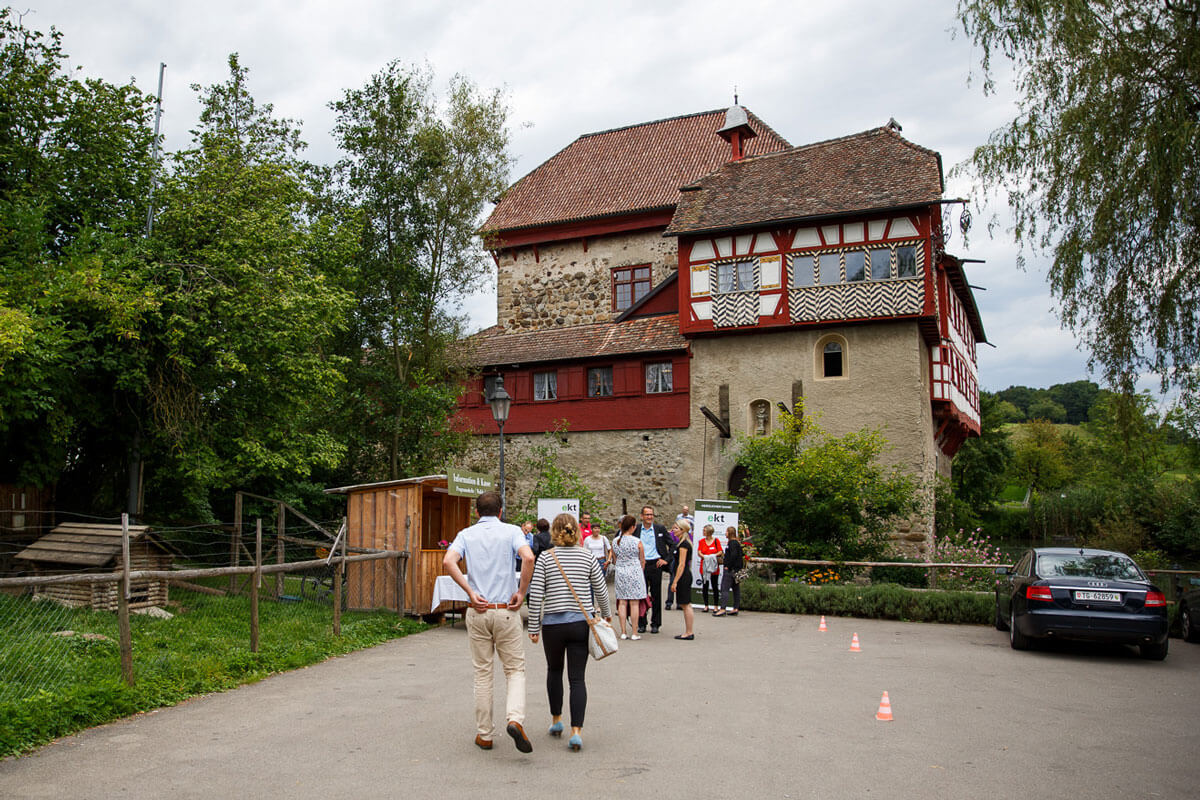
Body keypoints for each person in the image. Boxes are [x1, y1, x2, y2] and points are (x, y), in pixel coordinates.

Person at [443, 490, 536, 754]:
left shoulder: (466, 534)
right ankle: (515, 718)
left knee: (483, 672)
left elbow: (448, 560)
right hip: (505, 609)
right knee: (515, 669)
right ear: (500, 511)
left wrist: (470, 592)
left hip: (479, 609)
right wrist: (522, 590)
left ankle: (484, 734)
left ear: (476, 513)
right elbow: (528, 557)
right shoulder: (511, 531)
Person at [526, 513, 612, 752]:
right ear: (577, 531)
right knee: (577, 678)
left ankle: (556, 720)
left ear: (554, 532)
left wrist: (534, 628)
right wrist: (606, 614)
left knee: (554, 671)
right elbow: (601, 589)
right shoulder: (587, 557)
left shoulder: (545, 558)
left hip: (553, 625)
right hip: (579, 624)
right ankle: (576, 732)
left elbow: (536, 596)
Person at [634, 505, 672, 634]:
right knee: (641, 595)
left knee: (656, 595)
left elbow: (672, 545)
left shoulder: (659, 529)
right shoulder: (637, 529)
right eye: (647, 515)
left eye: (651, 515)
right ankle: (641, 623)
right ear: (642, 516)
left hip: (655, 564)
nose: (649, 517)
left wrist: (665, 559)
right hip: (640, 565)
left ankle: (655, 623)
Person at [610, 514, 647, 640]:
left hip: (621, 572)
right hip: (635, 571)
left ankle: (623, 631)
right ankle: (635, 632)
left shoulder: (615, 541)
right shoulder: (637, 542)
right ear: (632, 527)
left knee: (622, 602)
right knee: (634, 603)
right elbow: (642, 560)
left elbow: (615, 559)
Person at [668, 519, 695, 640]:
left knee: (686, 604)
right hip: (683, 575)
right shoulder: (682, 543)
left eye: (676, 528)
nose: (673, 530)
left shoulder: (684, 545)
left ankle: (689, 632)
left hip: (683, 576)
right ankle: (688, 631)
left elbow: (682, 564)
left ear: (683, 530)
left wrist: (675, 581)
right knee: (685, 604)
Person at [714, 525, 743, 616]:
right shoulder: (736, 543)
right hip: (736, 570)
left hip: (731, 570)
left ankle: (723, 608)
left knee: (724, 588)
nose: (725, 533)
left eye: (726, 532)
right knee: (735, 588)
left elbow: (733, 556)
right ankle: (735, 608)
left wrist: (728, 566)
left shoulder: (732, 543)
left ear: (730, 533)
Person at [697, 524, 724, 611]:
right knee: (705, 586)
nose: (703, 532)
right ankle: (706, 605)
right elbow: (699, 552)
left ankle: (716, 606)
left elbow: (720, 551)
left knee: (715, 586)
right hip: (704, 567)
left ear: (708, 532)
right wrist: (705, 557)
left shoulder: (716, 541)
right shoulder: (701, 541)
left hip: (714, 567)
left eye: (704, 530)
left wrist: (712, 556)